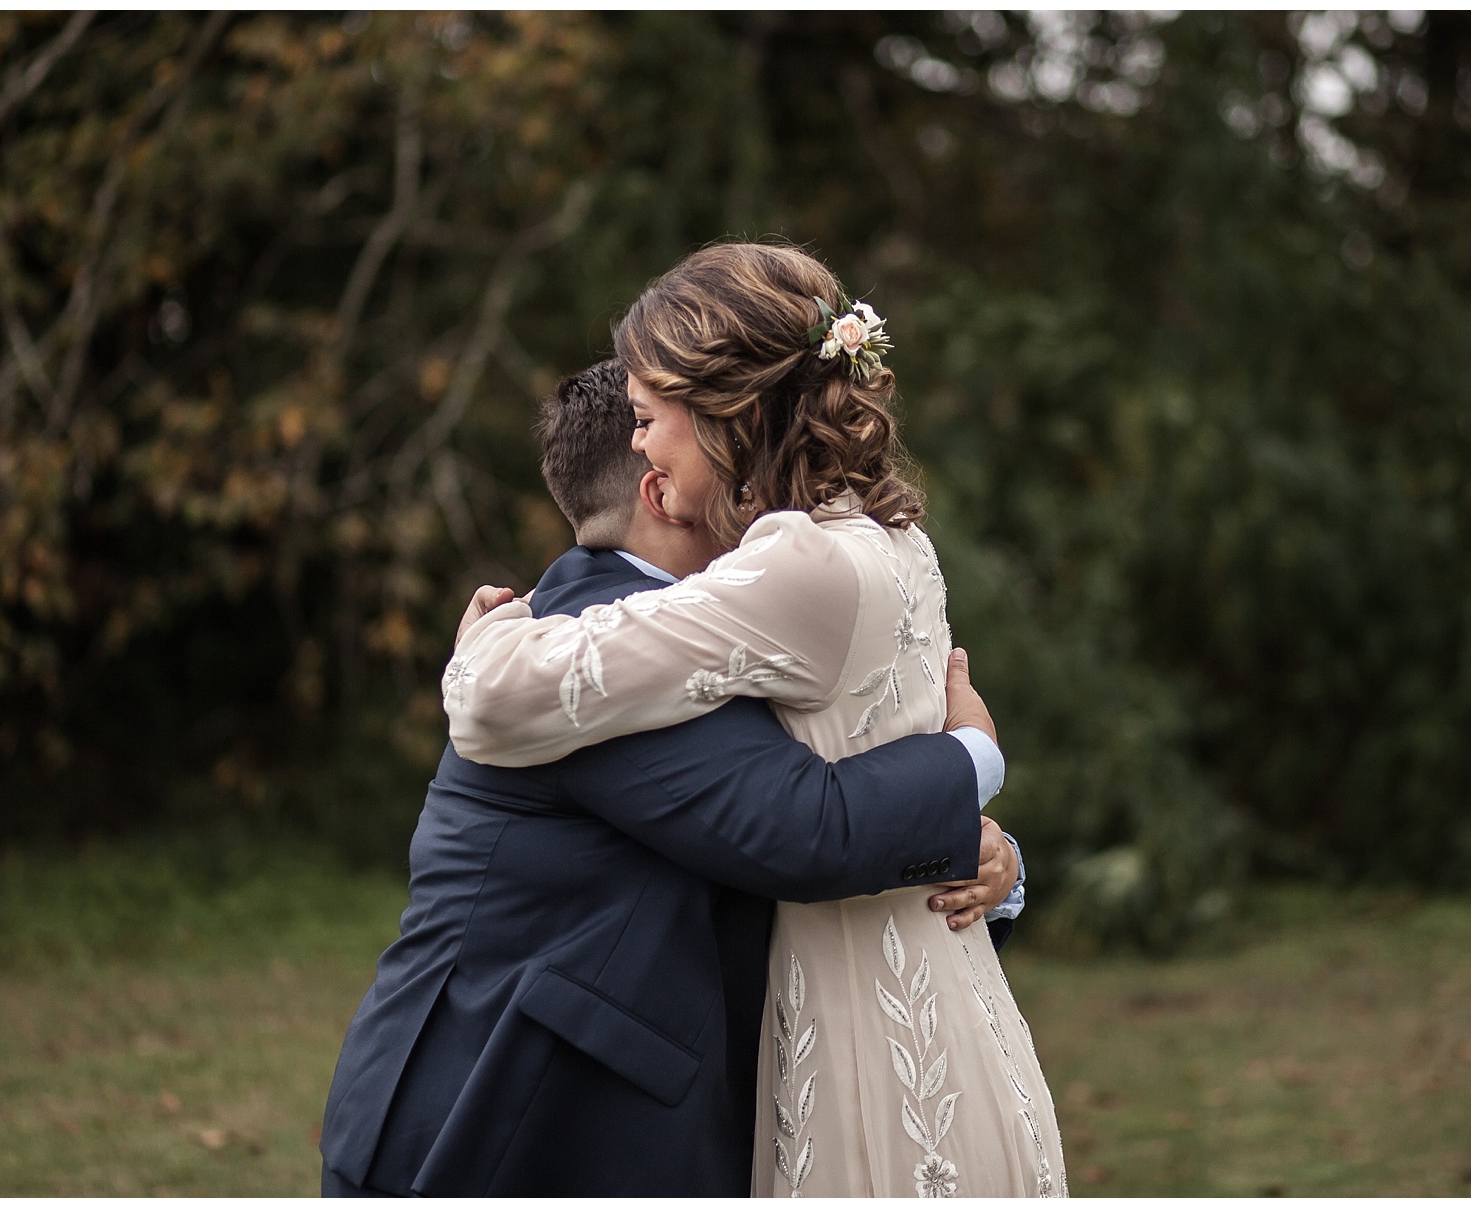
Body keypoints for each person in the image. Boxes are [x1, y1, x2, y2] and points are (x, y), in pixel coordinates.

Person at [446, 243, 1068, 1197]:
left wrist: (485, 637)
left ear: (723, 414)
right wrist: (980, 812)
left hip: (865, 1054)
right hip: (960, 1018)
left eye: (651, 419)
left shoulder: (793, 565)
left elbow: (493, 706)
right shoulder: (892, 536)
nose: (640, 446)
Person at [319, 359, 1023, 1196]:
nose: (770, 495)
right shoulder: (596, 648)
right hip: (505, 1121)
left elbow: (810, 790)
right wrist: (971, 752)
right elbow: (801, 830)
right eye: (740, 462)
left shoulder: (700, 642)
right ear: (664, 490)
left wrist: (982, 857)